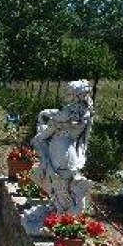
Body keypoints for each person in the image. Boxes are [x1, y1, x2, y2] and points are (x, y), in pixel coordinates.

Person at [31, 79, 94, 215]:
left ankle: (63, 212)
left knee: (58, 181)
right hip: (67, 149)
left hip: (60, 149)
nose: (66, 96)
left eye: (69, 93)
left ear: (76, 95)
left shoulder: (71, 112)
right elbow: (60, 118)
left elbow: (52, 126)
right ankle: (63, 211)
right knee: (61, 181)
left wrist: (42, 132)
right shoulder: (83, 112)